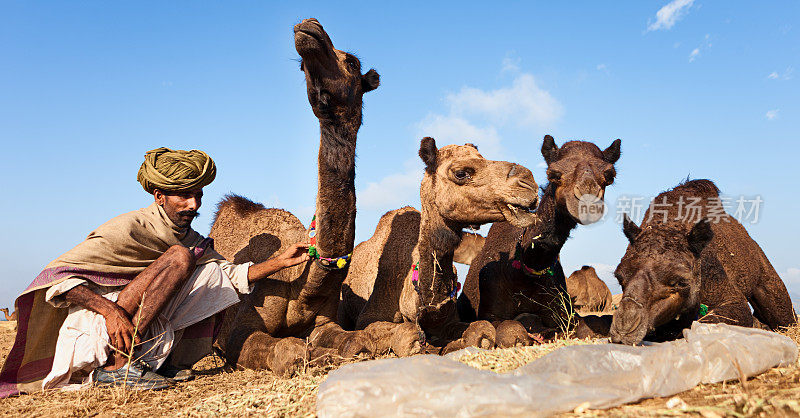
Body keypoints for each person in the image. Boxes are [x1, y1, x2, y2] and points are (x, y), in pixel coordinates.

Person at [0, 147, 309, 395]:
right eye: (184, 196)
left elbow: (229, 276)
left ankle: (144, 362)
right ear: (159, 197)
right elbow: (59, 280)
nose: (193, 204)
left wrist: (280, 262)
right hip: (95, 332)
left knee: (209, 272)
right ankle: (118, 368)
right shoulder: (130, 227)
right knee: (180, 258)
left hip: (132, 332)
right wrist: (110, 311)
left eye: (198, 195)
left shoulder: (192, 240)